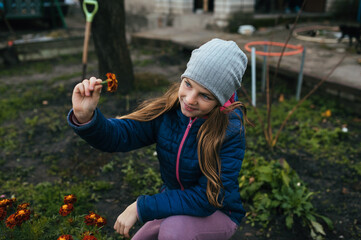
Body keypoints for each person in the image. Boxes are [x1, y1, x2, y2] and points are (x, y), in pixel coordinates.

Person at [68, 38, 248, 240]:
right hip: (173, 203)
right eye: (188, 84)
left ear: (220, 100)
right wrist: (86, 117)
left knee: (174, 231)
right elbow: (120, 136)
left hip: (218, 212)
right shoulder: (169, 112)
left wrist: (141, 207)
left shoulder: (229, 130)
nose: (189, 99)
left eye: (205, 96)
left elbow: (207, 198)